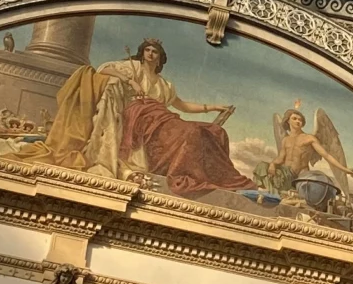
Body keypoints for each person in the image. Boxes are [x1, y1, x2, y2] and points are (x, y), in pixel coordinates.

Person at [45, 38, 248, 196]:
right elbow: (103, 69)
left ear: (160, 57)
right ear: (142, 53)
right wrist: (129, 81)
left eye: (155, 52)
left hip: (162, 119)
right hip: (140, 118)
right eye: (147, 50)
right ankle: (186, 171)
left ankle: (213, 175)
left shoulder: (164, 85)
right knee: (192, 132)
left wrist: (213, 107)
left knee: (214, 131)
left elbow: (182, 105)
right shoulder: (133, 68)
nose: (150, 54)